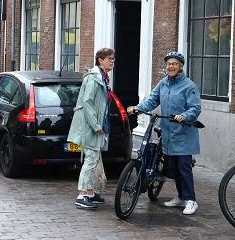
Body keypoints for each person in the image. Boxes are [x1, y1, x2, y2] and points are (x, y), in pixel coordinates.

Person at [127, 51, 202, 215]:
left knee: (184, 167)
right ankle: (181, 197)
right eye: (168, 64)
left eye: (174, 64)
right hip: (168, 133)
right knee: (173, 168)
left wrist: (184, 116)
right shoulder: (163, 84)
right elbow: (152, 100)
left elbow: (195, 108)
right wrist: (137, 108)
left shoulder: (189, 86)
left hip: (183, 134)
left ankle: (191, 200)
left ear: (180, 66)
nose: (171, 66)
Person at [67, 48, 115, 210]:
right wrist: (96, 125)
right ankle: (82, 195)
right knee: (91, 159)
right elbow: (87, 103)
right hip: (91, 127)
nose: (112, 61)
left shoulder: (102, 78)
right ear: (100, 60)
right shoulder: (95, 78)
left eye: (113, 58)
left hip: (97, 125)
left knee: (94, 159)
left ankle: (91, 193)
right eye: (109, 58)